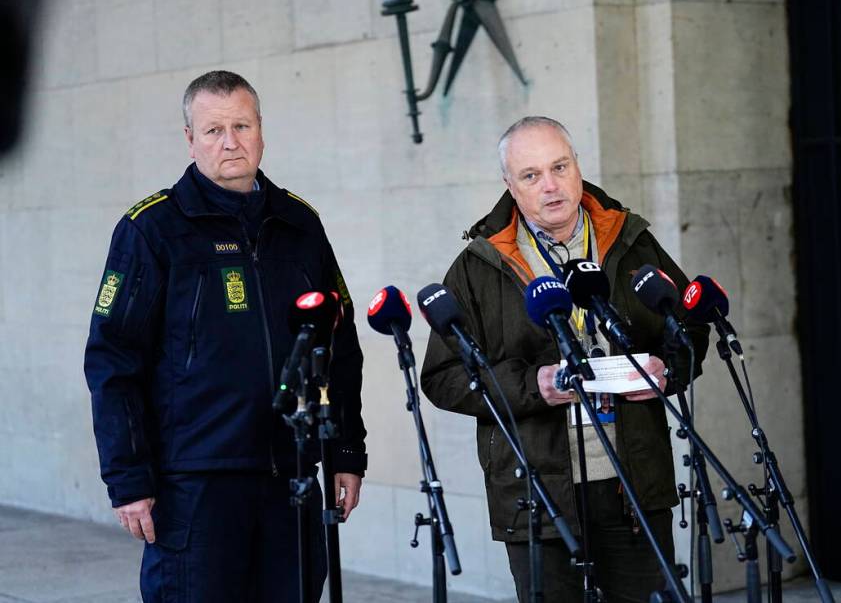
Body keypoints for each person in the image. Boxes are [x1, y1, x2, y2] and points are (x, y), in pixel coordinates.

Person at [84, 70, 366, 603]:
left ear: (262, 130)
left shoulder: (301, 224)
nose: (230, 142)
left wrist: (346, 450)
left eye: (241, 125)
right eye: (213, 130)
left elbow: (339, 346)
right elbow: (112, 359)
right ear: (189, 139)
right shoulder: (152, 229)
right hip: (194, 485)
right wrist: (129, 479)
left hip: (294, 477)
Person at [420, 116, 708, 602]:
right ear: (509, 185)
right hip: (538, 497)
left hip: (633, 486)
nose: (551, 186)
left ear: (578, 167)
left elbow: (690, 325)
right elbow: (444, 376)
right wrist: (536, 386)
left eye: (560, 166)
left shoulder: (630, 240)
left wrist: (667, 369)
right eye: (531, 175)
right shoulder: (480, 264)